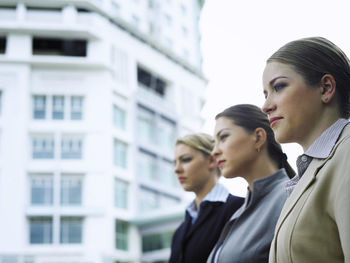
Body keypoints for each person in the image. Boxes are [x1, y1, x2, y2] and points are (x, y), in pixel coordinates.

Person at [262, 37, 350, 263]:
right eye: (265, 93)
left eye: (278, 87)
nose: (266, 106)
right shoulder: (310, 171)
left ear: (326, 88)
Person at [207, 104, 295, 263]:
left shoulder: (290, 198)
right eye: (214, 142)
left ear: (258, 137)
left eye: (223, 137)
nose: (214, 151)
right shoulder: (239, 212)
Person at [169, 133, 244, 263]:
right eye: (175, 162)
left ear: (211, 161)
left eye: (185, 159)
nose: (176, 169)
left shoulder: (239, 208)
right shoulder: (180, 231)